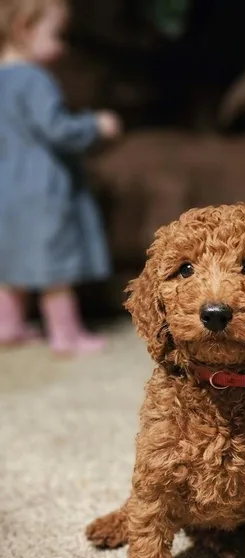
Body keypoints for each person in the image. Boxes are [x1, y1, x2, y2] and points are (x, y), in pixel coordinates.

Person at [0, 0, 122, 354]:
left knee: (11, 258)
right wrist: (95, 125)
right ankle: (66, 335)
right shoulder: (35, 79)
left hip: (6, 187)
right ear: (24, 27)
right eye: (56, 35)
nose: (62, 46)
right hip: (42, 188)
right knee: (56, 265)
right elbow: (57, 130)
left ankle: (8, 326)